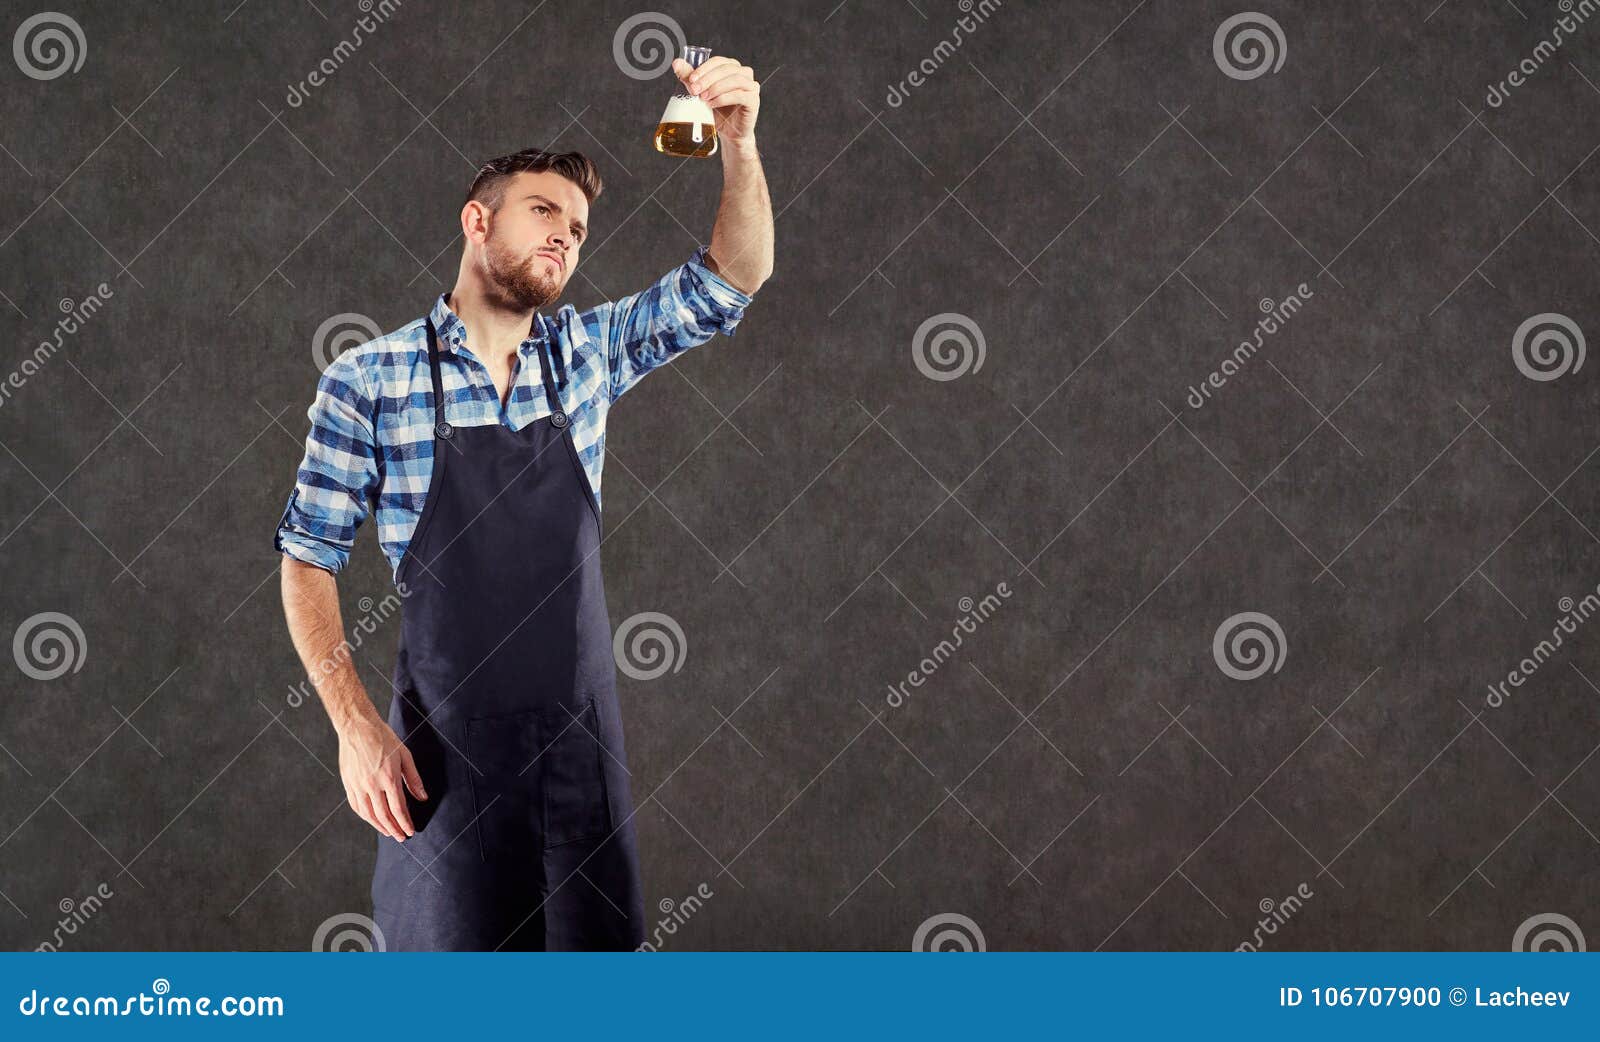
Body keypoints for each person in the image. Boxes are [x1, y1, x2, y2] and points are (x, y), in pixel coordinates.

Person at [272, 55, 771, 951]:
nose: (565, 238)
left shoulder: (587, 355)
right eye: (545, 212)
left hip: (582, 762)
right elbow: (307, 557)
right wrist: (353, 727)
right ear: (477, 220)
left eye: (577, 229)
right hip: (444, 769)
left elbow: (733, 279)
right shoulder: (370, 379)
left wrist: (739, 144)